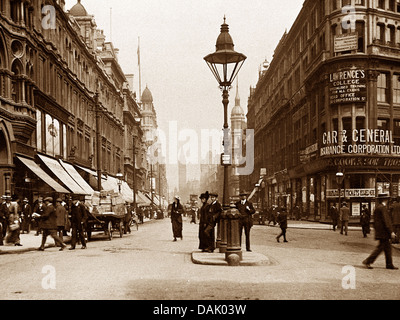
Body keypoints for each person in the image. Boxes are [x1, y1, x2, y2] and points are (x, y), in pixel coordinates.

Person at [363, 194, 398, 270]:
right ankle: (368, 261)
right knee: (380, 248)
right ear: (385, 200)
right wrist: (391, 232)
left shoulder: (378, 208)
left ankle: (389, 264)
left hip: (381, 232)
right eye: (387, 199)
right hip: (384, 233)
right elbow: (386, 221)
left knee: (388, 248)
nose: (388, 200)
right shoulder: (383, 208)